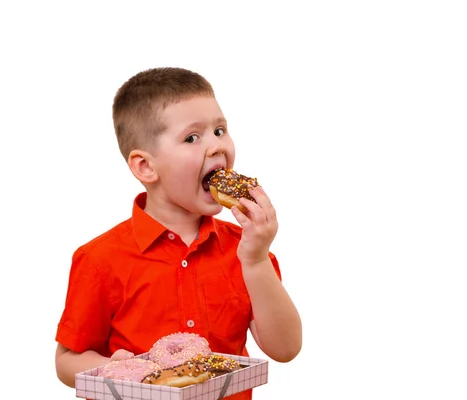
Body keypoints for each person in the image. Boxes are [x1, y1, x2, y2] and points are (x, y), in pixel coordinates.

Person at [54, 67, 302, 400]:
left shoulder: (245, 250)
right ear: (146, 166)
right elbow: (66, 360)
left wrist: (256, 261)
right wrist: (116, 369)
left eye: (219, 130)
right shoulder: (100, 259)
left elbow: (285, 348)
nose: (215, 147)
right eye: (192, 137)